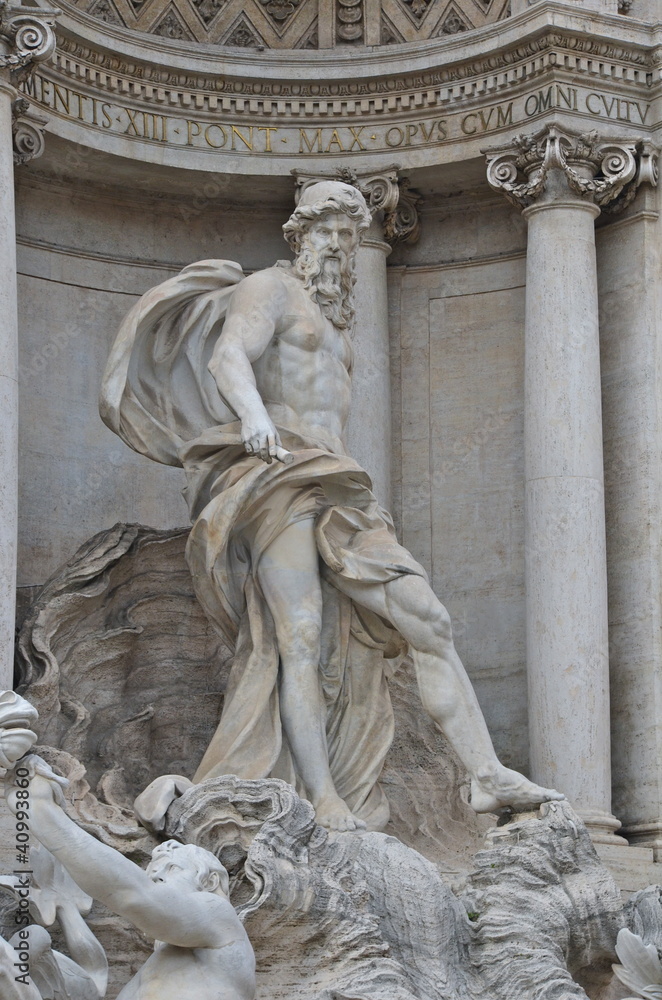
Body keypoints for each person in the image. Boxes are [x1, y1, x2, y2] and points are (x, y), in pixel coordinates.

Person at [101, 180, 563, 833]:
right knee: (300, 639)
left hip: (339, 484)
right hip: (275, 473)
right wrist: (255, 416)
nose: (341, 245)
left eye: (351, 233)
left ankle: (485, 774)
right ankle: (321, 797)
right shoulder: (272, 288)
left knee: (427, 619)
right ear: (300, 234)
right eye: (328, 230)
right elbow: (229, 355)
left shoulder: (339, 320)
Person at [4, 755, 256, 1000]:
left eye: (170, 868)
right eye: (150, 871)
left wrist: (41, 812)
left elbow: (135, 895)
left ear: (209, 882)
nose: (155, 875)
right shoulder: (154, 971)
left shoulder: (222, 921)